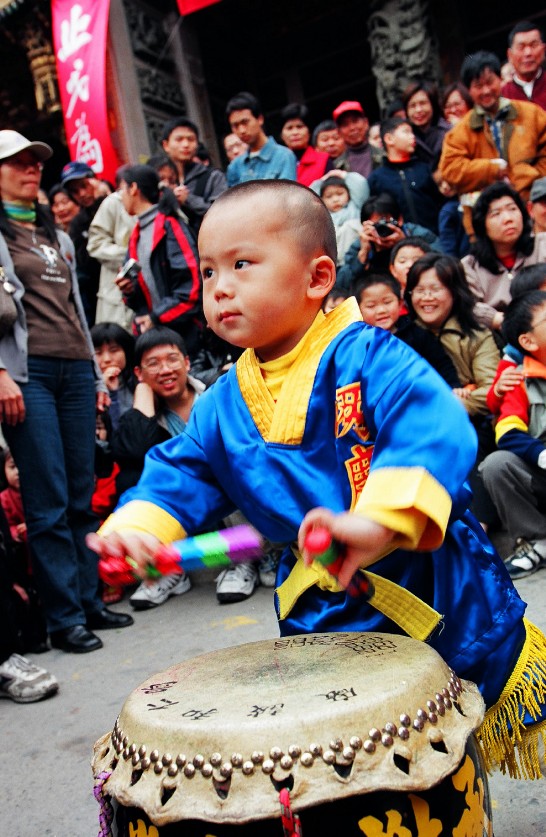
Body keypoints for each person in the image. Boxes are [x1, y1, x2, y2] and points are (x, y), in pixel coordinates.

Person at [90, 180, 546, 781]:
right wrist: (139, 528)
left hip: (428, 578)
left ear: (317, 277)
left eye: (242, 263)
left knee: (453, 730)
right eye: (208, 272)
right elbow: (181, 471)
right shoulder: (222, 403)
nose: (220, 286)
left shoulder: (369, 356)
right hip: (323, 601)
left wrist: (377, 519)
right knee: (355, 750)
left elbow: (434, 424)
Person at [0, 130, 133, 653]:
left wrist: (97, 377)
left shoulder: (54, 233)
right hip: (26, 375)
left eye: (36, 163)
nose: (32, 170)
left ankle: (90, 601)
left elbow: (77, 307)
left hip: (76, 370)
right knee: (48, 496)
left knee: (81, 490)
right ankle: (63, 617)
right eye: (17, 163)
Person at [111, 327, 204, 609]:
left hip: (224, 497)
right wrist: (142, 394)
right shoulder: (149, 415)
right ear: (139, 373)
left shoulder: (215, 394)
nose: (165, 370)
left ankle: (253, 560)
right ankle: (166, 569)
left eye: (172, 359)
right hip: (185, 505)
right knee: (132, 474)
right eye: (153, 364)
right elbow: (137, 448)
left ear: (187, 363)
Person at [405, 253, 500, 526]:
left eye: (435, 289)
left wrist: (449, 404)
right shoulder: (403, 335)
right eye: (419, 290)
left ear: (455, 292)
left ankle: (478, 524)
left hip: (470, 424)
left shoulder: (475, 336)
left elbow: (491, 390)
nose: (426, 298)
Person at [439, 50, 546, 227]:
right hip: (485, 222)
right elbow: (450, 170)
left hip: (534, 209)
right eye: (478, 86)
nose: (486, 90)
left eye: (490, 82)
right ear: (469, 90)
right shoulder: (460, 131)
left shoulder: (531, 114)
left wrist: (526, 178)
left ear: (500, 79)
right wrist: (492, 169)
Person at [481, 290, 546, 579]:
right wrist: (542, 455)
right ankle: (538, 543)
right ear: (528, 341)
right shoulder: (518, 378)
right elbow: (507, 431)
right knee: (496, 464)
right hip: (542, 469)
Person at [116, 164, 203, 359]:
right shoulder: (136, 235)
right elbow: (139, 297)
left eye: (122, 189)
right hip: (158, 339)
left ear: (134, 189)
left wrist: (156, 317)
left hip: (187, 338)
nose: (120, 196)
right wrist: (129, 289)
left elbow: (191, 288)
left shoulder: (169, 225)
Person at [462, 182, 546, 333]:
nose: (508, 218)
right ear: (482, 224)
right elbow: (466, 304)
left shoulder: (543, 244)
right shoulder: (470, 266)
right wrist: (497, 319)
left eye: (513, 209)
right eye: (496, 214)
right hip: (498, 336)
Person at [355, 273, 461, 387]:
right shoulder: (358, 343)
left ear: (400, 304)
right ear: (358, 310)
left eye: (387, 302)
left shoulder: (418, 335)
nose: (381, 310)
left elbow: (442, 365)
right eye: (371, 306)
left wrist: (454, 389)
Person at [336, 192, 440, 292]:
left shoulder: (418, 235)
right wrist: (362, 256)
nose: (382, 229)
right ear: (365, 225)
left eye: (385, 222)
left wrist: (405, 243)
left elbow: (442, 263)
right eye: (376, 225)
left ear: (400, 220)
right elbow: (341, 286)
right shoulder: (362, 244)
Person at [367, 116, 443, 233]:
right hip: (399, 242)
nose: (412, 136)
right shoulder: (376, 178)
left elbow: (440, 205)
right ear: (389, 139)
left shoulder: (424, 169)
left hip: (433, 238)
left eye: (412, 132)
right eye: (406, 132)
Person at [87, 167, 136, 331]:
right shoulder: (114, 203)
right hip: (116, 294)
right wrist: (132, 256)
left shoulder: (163, 201)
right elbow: (95, 244)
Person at [160, 116, 227, 233]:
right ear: (166, 145)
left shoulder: (213, 177)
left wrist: (188, 199)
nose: (186, 144)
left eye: (191, 139)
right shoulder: (160, 179)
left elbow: (222, 214)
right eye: (179, 139)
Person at [60, 160, 106, 327]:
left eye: (84, 185)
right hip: (99, 293)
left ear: (94, 180)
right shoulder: (78, 223)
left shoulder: (121, 200)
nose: (82, 193)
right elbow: (83, 262)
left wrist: (103, 200)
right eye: (75, 191)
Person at [226, 91, 297, 185]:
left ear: (260, 119)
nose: (241, 130)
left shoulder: (284, 156)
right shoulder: (235, 166)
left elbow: (287, 196)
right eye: (235, 126)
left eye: (245, 122)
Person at [312, 171, 369, 264]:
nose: (335, 199)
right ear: (321, 199)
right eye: (329, 196)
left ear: (349, 193)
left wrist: (343, 174)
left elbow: (361, 185)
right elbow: (309, 197)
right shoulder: (321, 215)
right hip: (333, 260)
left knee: (350, 226)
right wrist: (323, 180)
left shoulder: (355, 206)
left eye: (340, 194)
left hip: (355, 256)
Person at [402, 80, 452, 168]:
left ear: (433, 105)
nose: (418, 110)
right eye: (412, 106)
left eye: (423, 103)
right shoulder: (404, 138)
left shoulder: (449, 131)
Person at [280, 103, 330, 187]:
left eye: (300, 127)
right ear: (282, 135)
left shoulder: (324, 160)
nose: (295, 132)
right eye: (289, 128)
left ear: (309, 132)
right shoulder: (277, 163)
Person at [501, 20, 546, 110]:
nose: (528, 53)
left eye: (533, 45)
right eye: (521, 47)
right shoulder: (502, 94)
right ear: (509, 55)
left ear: (543, 50)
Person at [331, 100, 373, 178]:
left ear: (366, 123)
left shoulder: (385, 156)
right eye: (345, 124)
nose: (352, 128)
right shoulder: (336, 167)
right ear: (339, 132)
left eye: (355, 121)